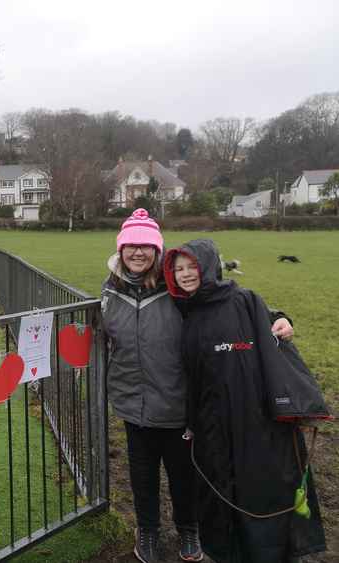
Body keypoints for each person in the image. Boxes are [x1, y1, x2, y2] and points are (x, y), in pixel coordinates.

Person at [101, 209, 293, 563]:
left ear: (157, 251)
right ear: (121, 250)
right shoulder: (110, 292)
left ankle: (189, 529)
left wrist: (276, 318)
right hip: (131, 401)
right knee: (141, 474)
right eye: (131, 246)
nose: (138, 253)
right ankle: (148, 531)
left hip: (177, 403)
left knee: (182, 474)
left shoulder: (176, 291)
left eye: (146, 246)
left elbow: (226, 305)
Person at [163, 238, 329, 563]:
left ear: (208, 266)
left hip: (256, 418)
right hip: (212, 423)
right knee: (220, 488)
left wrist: (282, 319)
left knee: (262, 487)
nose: (184, 274)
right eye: (178, 269)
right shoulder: (187, 313)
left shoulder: (243, 300)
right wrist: (193, 423)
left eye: (191, 266)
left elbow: (270, 325)